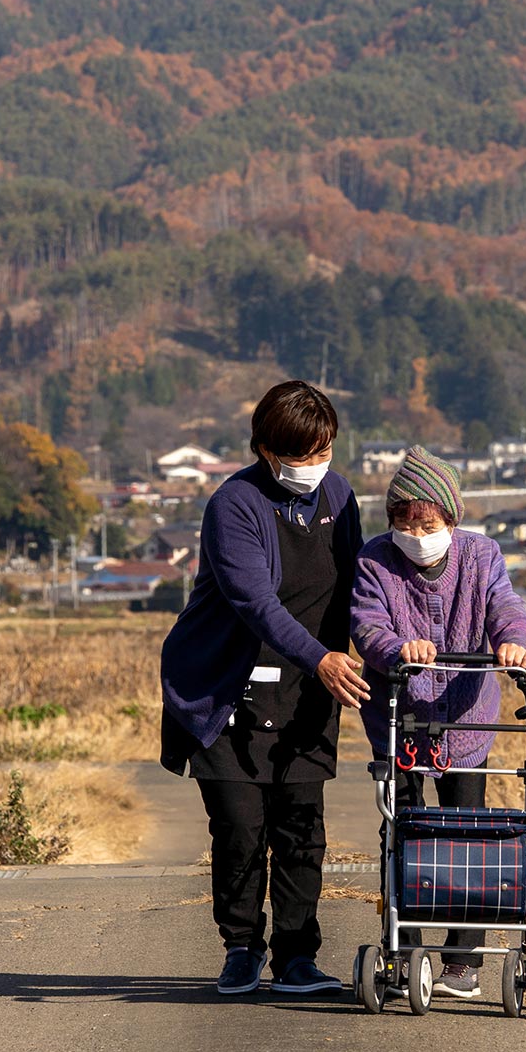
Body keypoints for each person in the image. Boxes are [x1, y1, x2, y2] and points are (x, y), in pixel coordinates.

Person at [160, 381, 368, 996]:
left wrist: (387, 645)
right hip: (226, 686)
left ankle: (298, 956)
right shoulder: (235, 505)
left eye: (323, 450)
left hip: (308, 684)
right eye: (298, 454)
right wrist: (323, 659)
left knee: (303, 827)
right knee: (240, 827)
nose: (312, 466)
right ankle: (241, 948)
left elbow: (359, 584)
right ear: (263, 448)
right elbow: (256, 603)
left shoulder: (339, 494)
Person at [350, 445, 526, 1000]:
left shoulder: (481, 556)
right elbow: (366, 623)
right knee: (404, 826)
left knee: (467, 832)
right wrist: (396, 648)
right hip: (398, 716)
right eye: (404, 520)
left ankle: (462, 956)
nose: (415, 531)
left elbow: (505, 605)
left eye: (427, 522)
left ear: (451, 520)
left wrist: (513, 644)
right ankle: (403, 946)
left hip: (466, 720)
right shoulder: (375, 561)